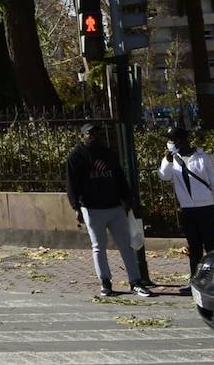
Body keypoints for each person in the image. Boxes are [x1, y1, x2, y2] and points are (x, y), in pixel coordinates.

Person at [66, 123, 152, 298]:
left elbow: (119, 176)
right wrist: (76, 207)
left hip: (114, 206)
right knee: (98, 246)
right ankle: (105, 282)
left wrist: (126, 198)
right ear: (82, 136)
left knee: (126, 245)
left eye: (97, 133)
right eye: (90, 133)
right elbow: (72, 183)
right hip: (92, 208)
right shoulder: (76, 156)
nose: (94, 136)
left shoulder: (108, 153)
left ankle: (135, 281)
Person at [159, 125, 214, 293]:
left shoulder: (203, 158)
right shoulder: (173, 159)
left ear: (181, 140)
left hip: (206, 208)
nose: (169, 143)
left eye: (172, 140)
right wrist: (167, 161)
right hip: (188, 209)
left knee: (211, 245)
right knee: (194, 247)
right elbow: (164, 176)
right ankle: (195, 281)